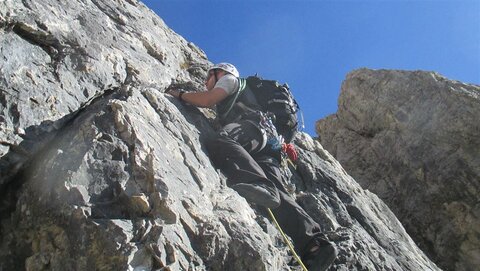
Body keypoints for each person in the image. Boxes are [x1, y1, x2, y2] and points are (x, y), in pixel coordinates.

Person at [168, 63, 337, 271]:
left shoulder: (229, 79)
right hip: (269, 145)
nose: (205, 82)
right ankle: (316, 244)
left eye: (208, 77)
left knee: (221, 141)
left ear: (219, 72)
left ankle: (258, 183)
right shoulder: (245, 91)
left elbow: (207, 100)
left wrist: (181, 94)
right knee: (279, 194)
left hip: (252, 128)